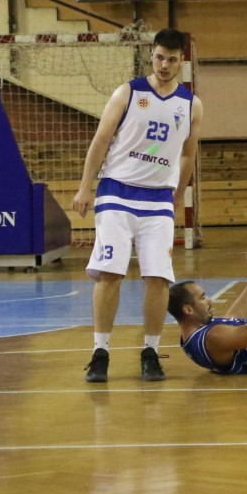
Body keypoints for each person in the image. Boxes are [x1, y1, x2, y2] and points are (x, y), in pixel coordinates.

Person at [72, 28, 204, 382]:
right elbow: (101, 139)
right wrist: (85, 187)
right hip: (116, 192)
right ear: (151, 55)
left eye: (172, 59)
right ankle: (100, 352)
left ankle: (150, 352)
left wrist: (178, 196)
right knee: (110, 273)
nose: (164, 65)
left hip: (158, 198)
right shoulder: (128, 93)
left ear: (181, 61)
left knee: (158, 277)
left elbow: (188, 155)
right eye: (159, 57)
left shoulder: (191, 104)